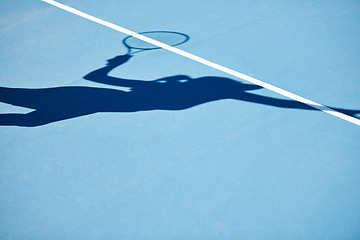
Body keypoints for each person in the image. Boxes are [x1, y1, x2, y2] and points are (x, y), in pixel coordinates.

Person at [0, 54, 358, 127]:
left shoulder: (206, 92)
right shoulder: (197, 93)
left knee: (26, 114)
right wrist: (112, 68)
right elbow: (98, 80)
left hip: (95, 101)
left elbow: (272, 100)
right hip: (85, 98)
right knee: (15, 100)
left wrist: (337, 109)